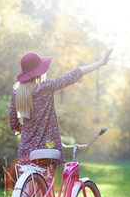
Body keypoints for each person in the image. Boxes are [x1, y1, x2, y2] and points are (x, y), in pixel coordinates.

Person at [9, 48, 113, 176]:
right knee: (47, 186)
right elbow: (74, 74)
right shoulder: (46, 87)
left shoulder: (17, 94)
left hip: (26, 150)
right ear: (38, 72)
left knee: (28, 190)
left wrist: (27, 128)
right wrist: (100, 63)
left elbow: (13, 123)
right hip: (48, 147)